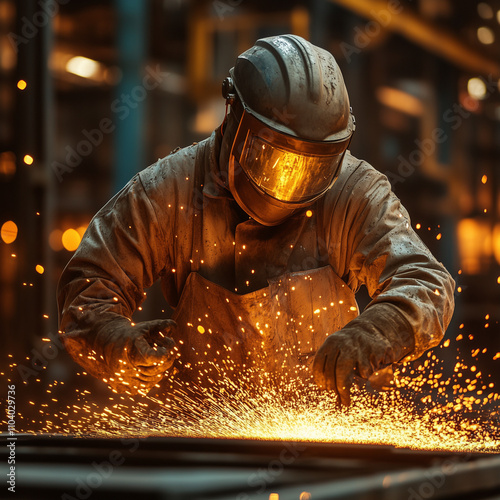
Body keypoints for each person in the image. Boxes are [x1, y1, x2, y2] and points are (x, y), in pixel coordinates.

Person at [57, 34, 455, 406]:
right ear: (233, 118)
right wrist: (117, 344)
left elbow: (427, 284)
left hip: (320, 438)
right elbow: (89, 289)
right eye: (273, 160)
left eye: (311, 168)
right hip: (198, 436)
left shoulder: (354, 193)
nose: (290, 183)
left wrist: (378, 330)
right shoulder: (168, 190)